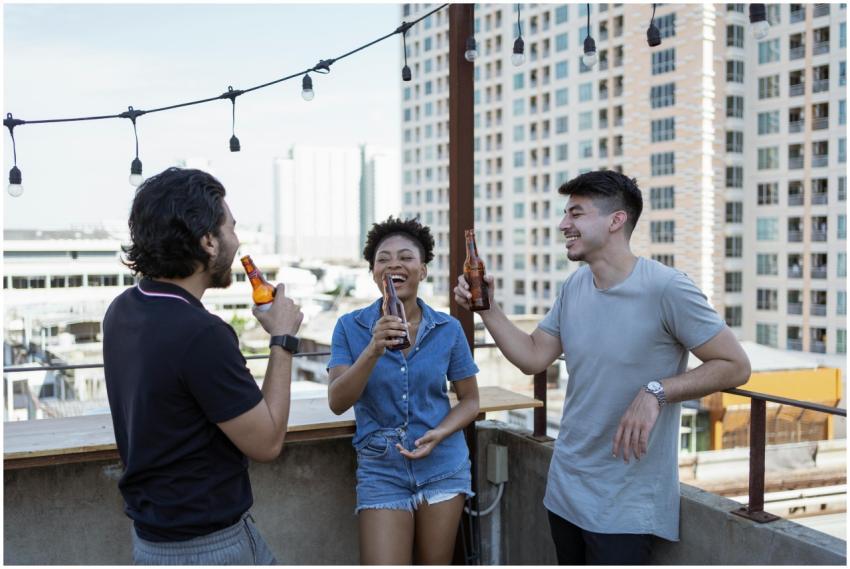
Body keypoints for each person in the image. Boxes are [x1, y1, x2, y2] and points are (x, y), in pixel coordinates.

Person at [454, 171, 751, 564]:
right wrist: (487, 309)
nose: (564, 225)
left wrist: (656, 391)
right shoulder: (575, 286)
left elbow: (734, 365)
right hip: (565, 490)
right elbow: (533, 356)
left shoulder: (667, 288)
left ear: (616, 220)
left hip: (625, 505)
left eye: (576, 214)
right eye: (565, 214)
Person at [103, 167, 303, 565]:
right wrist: (282, 338)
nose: (237, 239)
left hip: (153, 541)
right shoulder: (201, 334)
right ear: (208, 241)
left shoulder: (123, 308)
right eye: (230, 227)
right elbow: (267, 442)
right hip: (208, 548)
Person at [327, 216, 480, 564]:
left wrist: (438, 434)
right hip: (382, 469)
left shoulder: (448, 329)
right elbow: (338, 401)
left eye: (406, 257)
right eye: (383, 258)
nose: (394, 263)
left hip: (443, 464)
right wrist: (373, 349)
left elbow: (471, 400)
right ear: (373, 272)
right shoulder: (350, 328)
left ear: (423, 270)